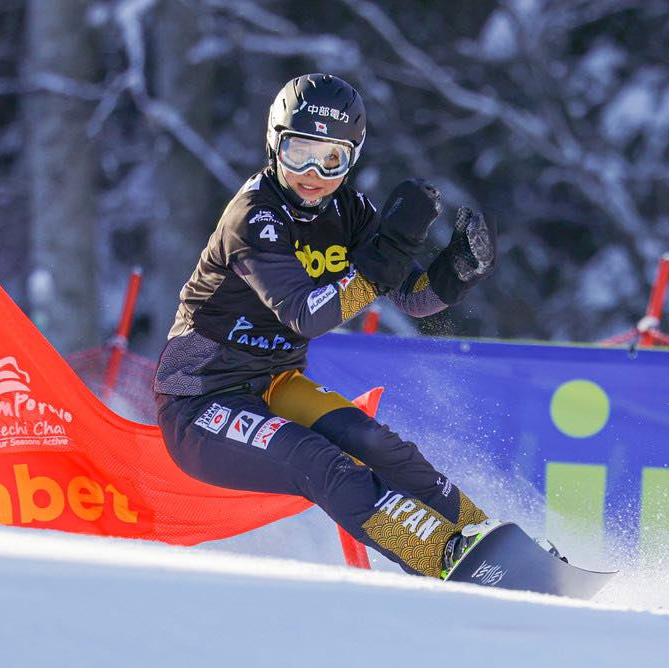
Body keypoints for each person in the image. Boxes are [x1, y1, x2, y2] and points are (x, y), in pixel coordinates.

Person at [153, 73, 497, 578]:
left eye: (331, 158)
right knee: (323, 464)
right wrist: (390, 253)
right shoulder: (253, 216)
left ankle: (483, 537)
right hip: (202, 400)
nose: (313, 173)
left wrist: (458, 269)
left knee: (378, 445)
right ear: (274, 145)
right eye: (299, 152)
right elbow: (306, 314)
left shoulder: (349, 210)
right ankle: (443, 559)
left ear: (351, 159)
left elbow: (413, 297)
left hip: (275, 384)